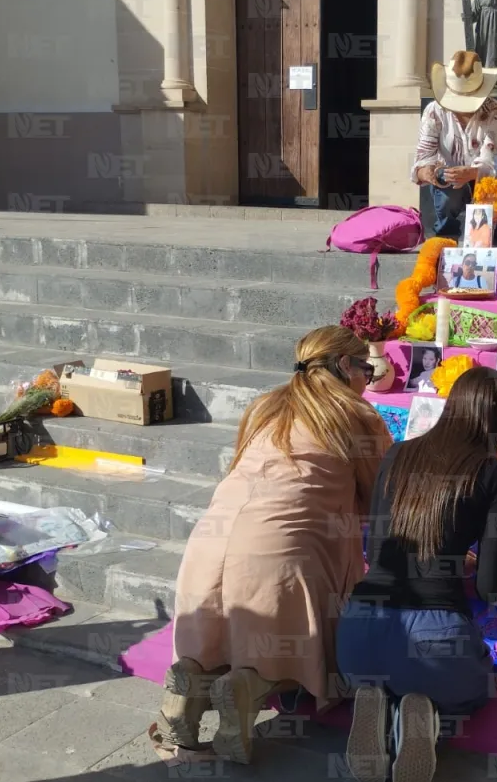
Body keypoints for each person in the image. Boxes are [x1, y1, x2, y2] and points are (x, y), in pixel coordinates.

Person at [151, 326, 391, 766]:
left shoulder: (266, 404)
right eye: (367, 370)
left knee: (212, 636)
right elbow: (383, 493)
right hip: (279, 549)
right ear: (343, 366)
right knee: (286, 646)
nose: (369, 380)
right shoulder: (356, 416)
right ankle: (249, 686)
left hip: (210, 540)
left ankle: (187, 691)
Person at [336, 367, 497, 782]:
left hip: (358, 634)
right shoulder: (494, 474)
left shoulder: (398, 453)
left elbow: (375, 549)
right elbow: (489, 587)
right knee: (476, 689)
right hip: (435, 642)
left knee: (388, 673)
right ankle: (426, 715)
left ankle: (378, 701)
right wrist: (496, 579)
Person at [413, 51, 497, 247]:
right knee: (449, 186)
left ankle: (492, 238)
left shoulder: (496, 111)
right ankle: (446, 238)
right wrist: (429, 172)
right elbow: (423, 157)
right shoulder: (434, 111)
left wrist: (473, 173)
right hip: (448, 180)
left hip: (485, 180)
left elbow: (488, 156)